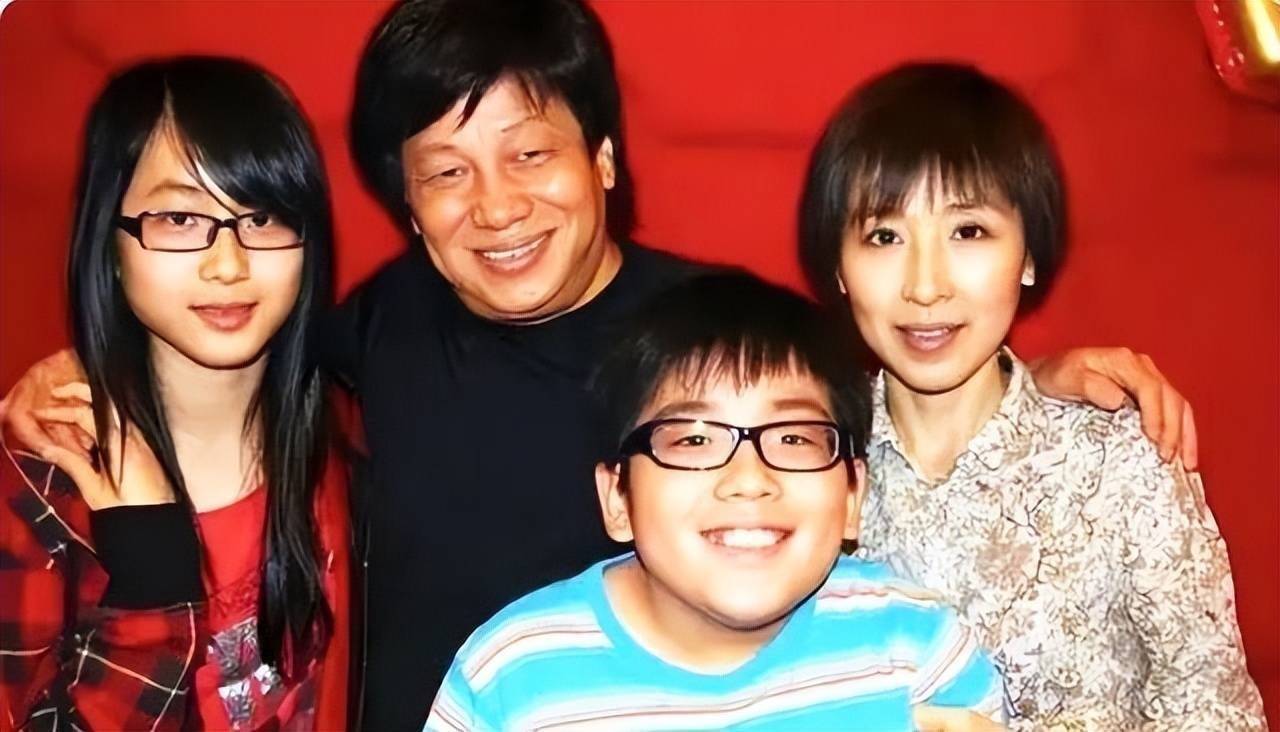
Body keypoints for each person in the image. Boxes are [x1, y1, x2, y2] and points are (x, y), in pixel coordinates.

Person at [0, 3, 1198, 729]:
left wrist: (1037, 378)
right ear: (406, 206)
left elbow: (891, 362)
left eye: (530, 154)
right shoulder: (375, 324)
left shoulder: (709, 338)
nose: (495, 207)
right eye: (446, 172)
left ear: (606, 160)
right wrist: (73, 365)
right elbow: (222, 326)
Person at [798, 62, 1266, 729]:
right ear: (839, 267)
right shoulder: (804, 466)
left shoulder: (1119, 459)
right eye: (885, 236)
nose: (925, 286)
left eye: (968, 231)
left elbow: (1216, 711)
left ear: (1028, 255)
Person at [428, 273, 1005, 731]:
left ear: (854, 493)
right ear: (618, 499)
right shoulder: (511, 678)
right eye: (693, 441)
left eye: (793, 439)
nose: (748, 479)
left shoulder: (915, 649)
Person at [0, 58, 349, 730]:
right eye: (181, 218)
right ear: (110, 243)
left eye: (263, 217)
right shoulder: (38, 479)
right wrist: (148, 572)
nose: (229, 264)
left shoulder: (343, 429)